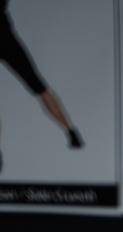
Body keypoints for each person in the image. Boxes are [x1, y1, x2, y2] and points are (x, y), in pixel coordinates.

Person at [0, 0, 83, 173]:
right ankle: (71, 132)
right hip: (4, 37)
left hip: (4, 38)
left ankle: (71, 132)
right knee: (39, 87)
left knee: (39, 87)